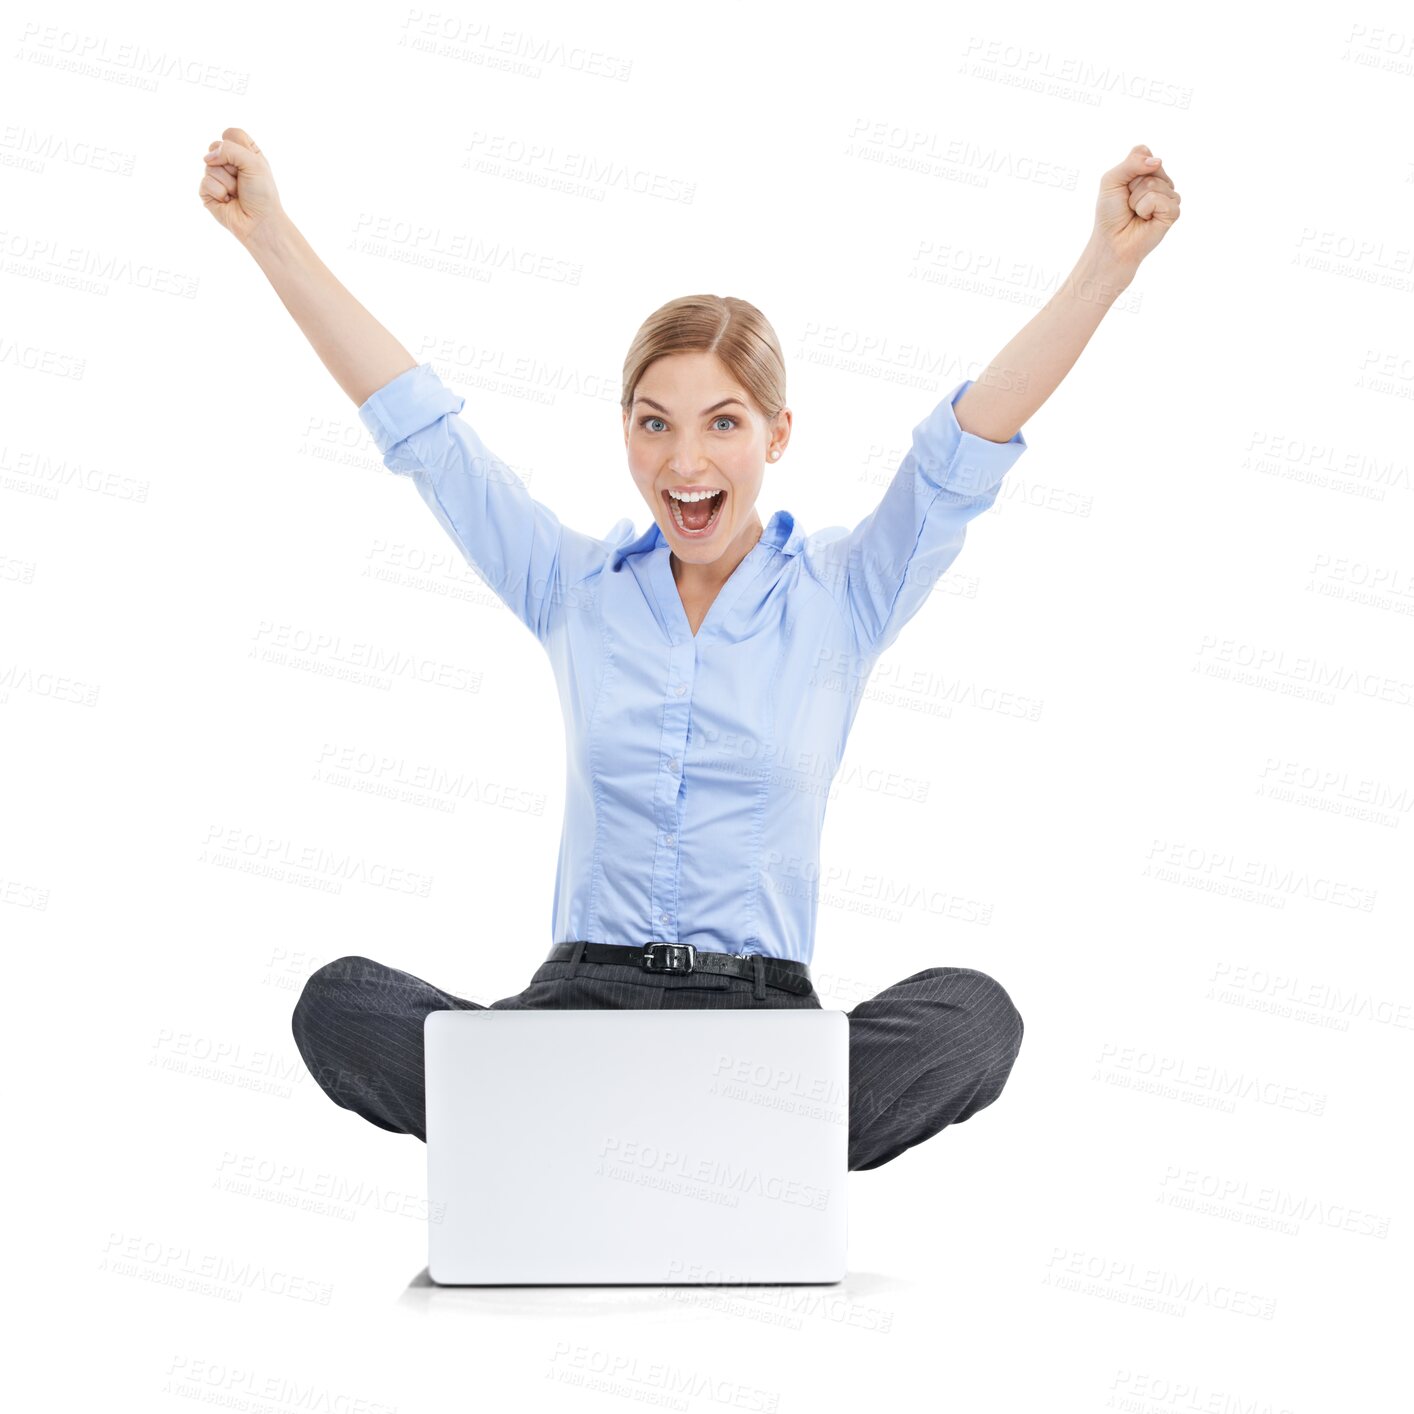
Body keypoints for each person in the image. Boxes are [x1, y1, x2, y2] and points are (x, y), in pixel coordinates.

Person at [199, 129, 1180, 1171]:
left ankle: (610, 1147)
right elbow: (427, 439)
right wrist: (269, 234)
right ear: (625, 434)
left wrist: (1105, 266)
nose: (686, 459)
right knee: (339, 1002)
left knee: (976, 1018)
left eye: (722, 422)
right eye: (654, 424)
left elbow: (964, 450)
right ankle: (696, 1155)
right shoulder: (571, 588)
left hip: (760, 1037)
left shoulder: (845, 594)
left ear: (776, 434)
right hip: (577, 1014)